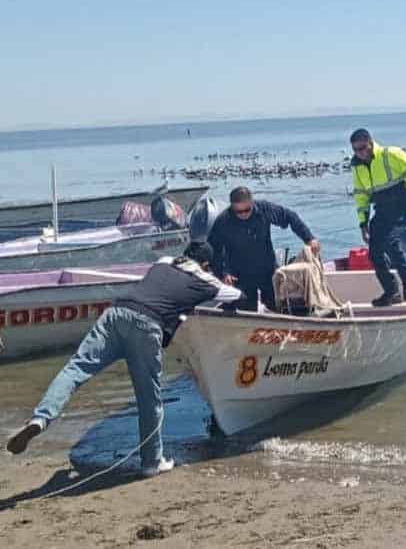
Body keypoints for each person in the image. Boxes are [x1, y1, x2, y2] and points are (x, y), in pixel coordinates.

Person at [5, 242, 240, 476]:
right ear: (206, 265)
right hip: (147, 325)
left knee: (75, 369)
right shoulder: (205, 281)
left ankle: (41, 418)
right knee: (149, 398)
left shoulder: (164, 262)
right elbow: (235, 295)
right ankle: (152, 462)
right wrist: (226, 283)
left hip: (116, 314)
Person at [205, 186, 320, 312]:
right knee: (247, 312)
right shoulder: (223, 221)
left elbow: (289, 216)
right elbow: (214, 250)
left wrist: (309, 238)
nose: (243, 215)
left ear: (252, 203)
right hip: (240, 275)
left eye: (247, 210)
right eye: (238, 212)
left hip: (267, 269)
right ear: (232, 207)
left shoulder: (264, 209)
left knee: (276, 307)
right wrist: (223, 274)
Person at [349, 128, 406, 305]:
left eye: (362, 148)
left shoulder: (391, 154)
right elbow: (361, 197)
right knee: (374, 252)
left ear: (370, 143)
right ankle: (391, 292)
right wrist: (363, 224)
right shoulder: (357, 168)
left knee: (391, 241)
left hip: (401, 205)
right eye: (355, 150)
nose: (360, 153)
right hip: (382, 209)